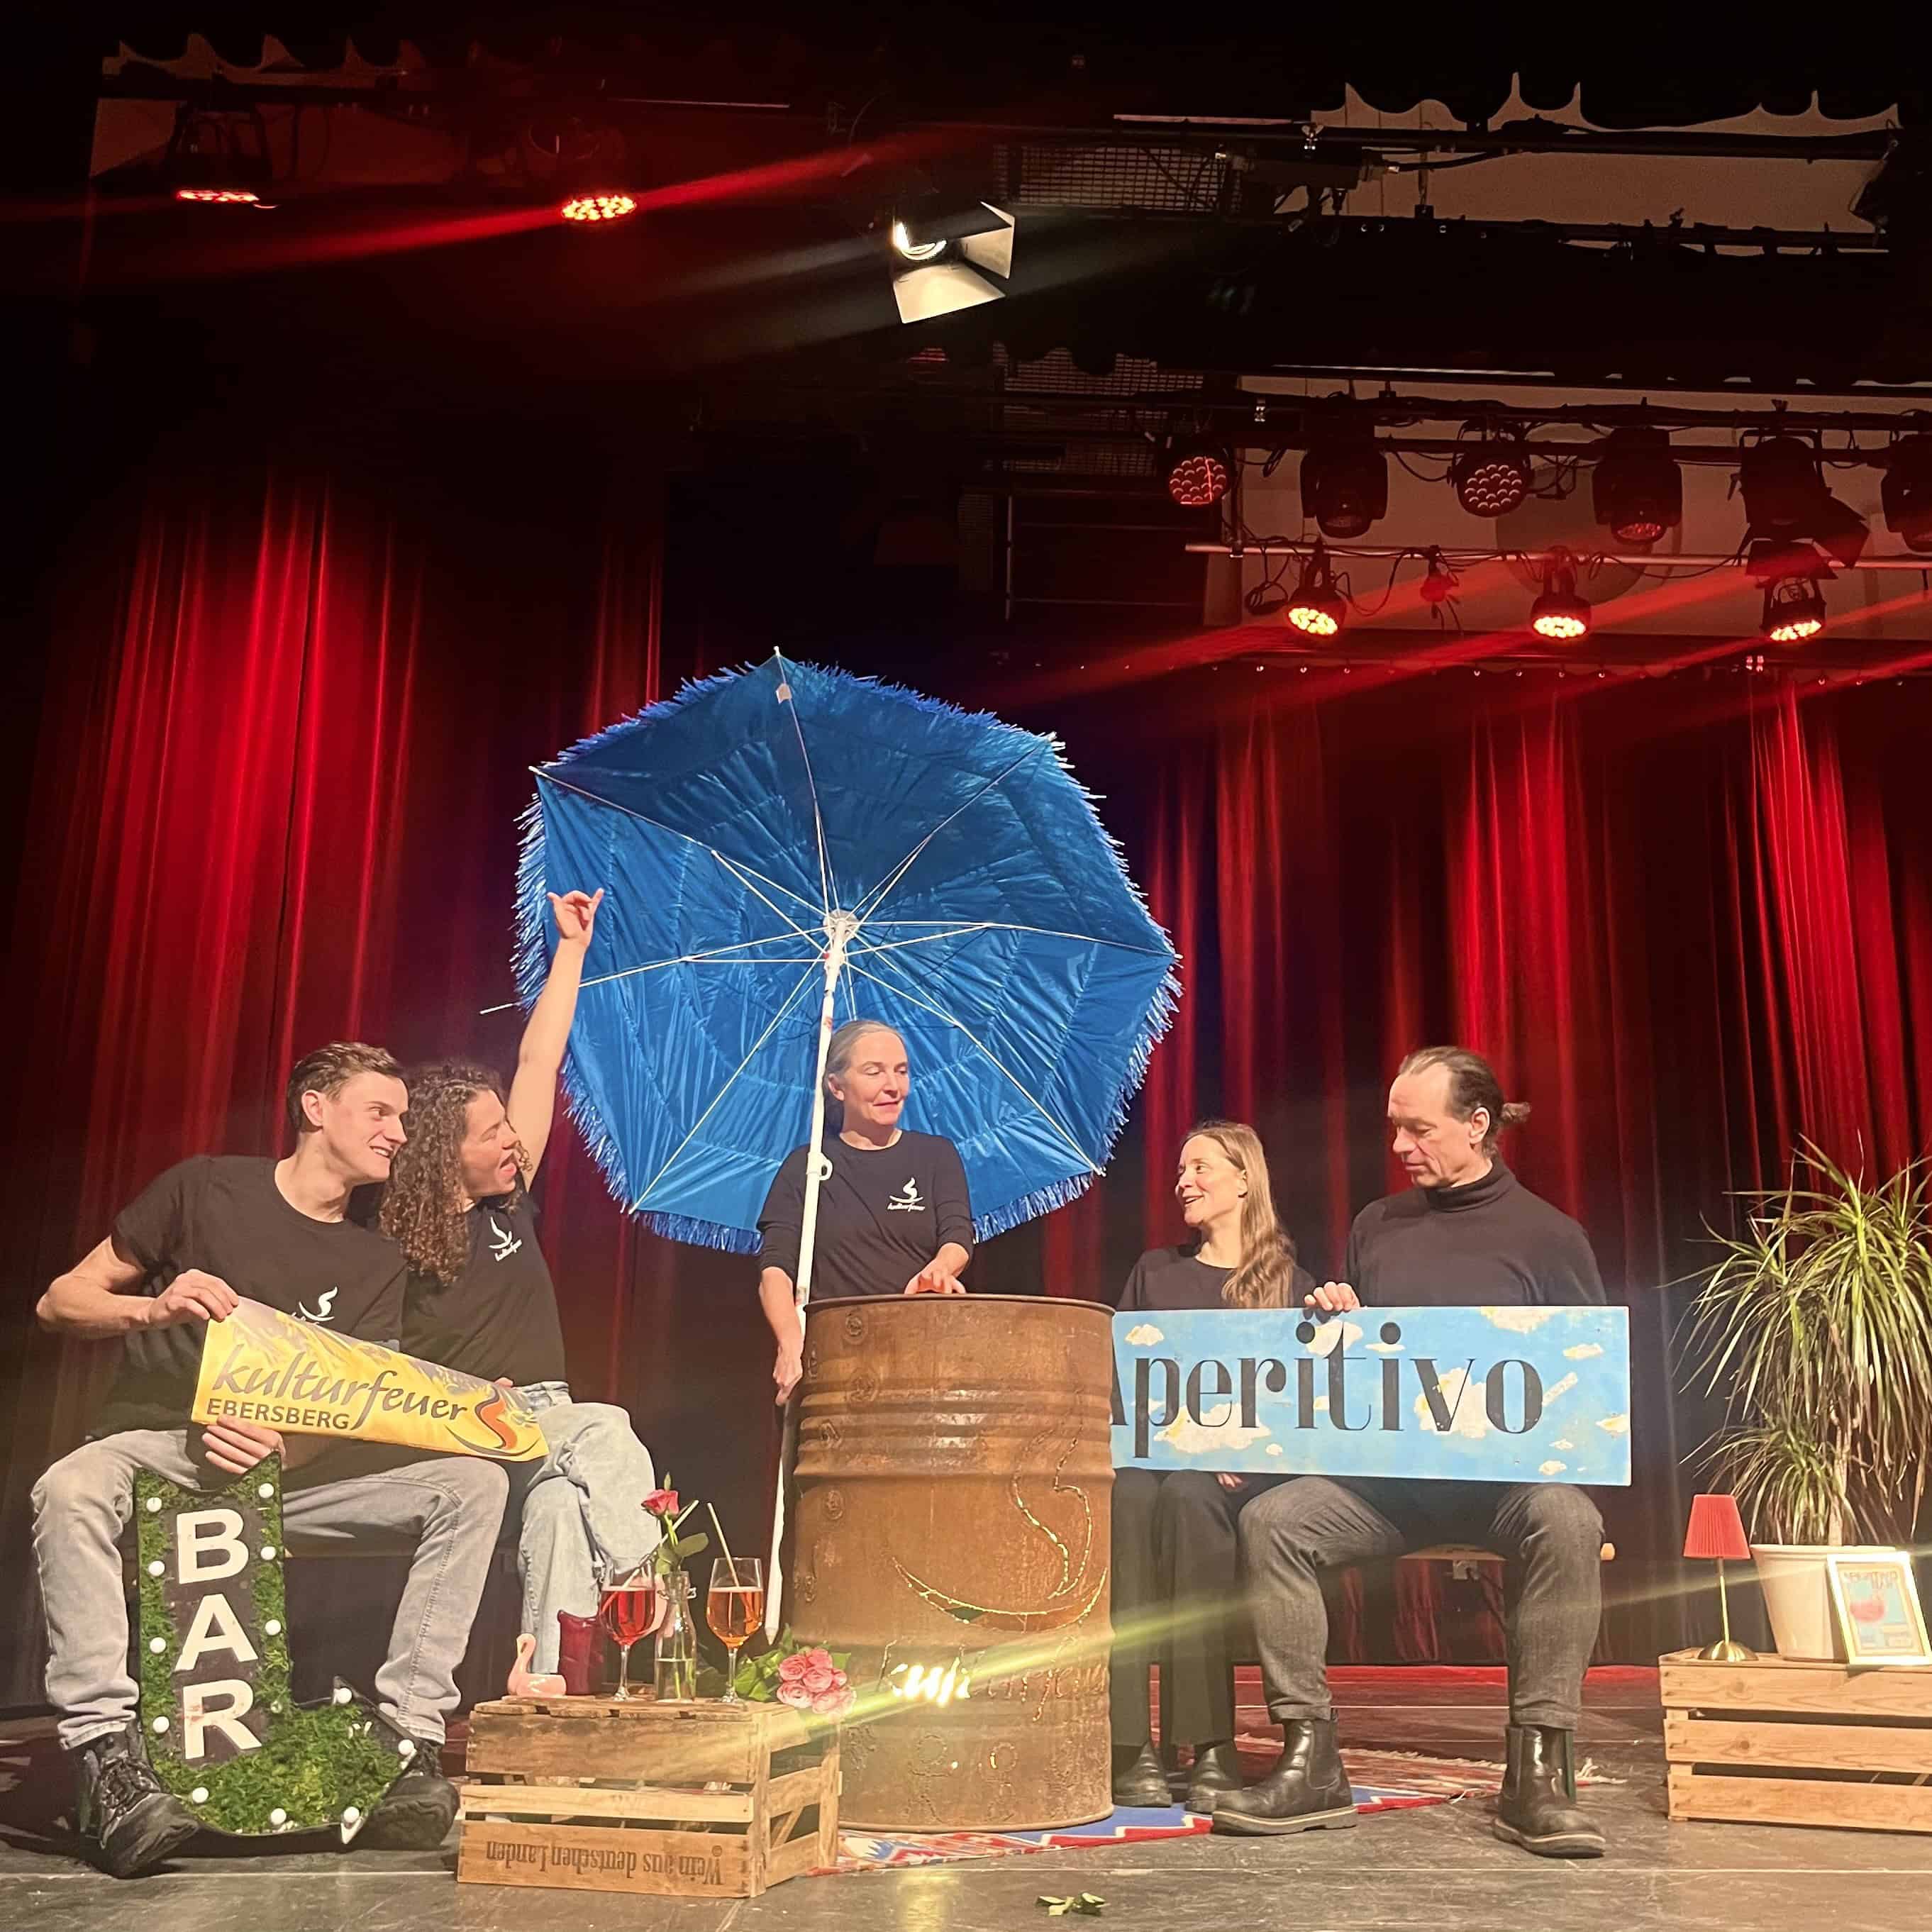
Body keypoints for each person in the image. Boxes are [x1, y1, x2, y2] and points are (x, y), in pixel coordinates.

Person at [31, 1043, 509, 1879]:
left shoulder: (375, 1260)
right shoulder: (205, 1188)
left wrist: (288, 1444)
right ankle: (107, 1757)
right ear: (315, 1108)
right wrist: (154, 1309)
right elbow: (59, 1301)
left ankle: (406, 1740)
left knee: (472, 1483)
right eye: (381, 1112)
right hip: (163, 1451)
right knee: (69, 1486)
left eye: (403, 1118)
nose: (399, 1133)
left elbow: (355, 1404)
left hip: (288, 1478)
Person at [1214, 1045, 1609, 1858]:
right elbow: (1353, 1371)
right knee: (1274, 1520)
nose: (1400, 1146)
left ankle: (1536, 1772)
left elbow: (1590, 1382)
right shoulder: (1378, 1225)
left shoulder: (1549, 1237)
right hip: (1390, 1488)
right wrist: (1337, 1318)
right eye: (1395, 1128)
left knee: (1569, 1519)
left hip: (1503, 1491)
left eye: (1419, 1129)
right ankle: (1311, 1758)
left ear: (1478, 1124)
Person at [382, 888, 662, 1679]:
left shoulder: (510, 1201)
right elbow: (376, 1364)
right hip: (468, 1425)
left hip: (546, 1421)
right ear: (445, 1153)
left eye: (510, 1122)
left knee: (561, 1512)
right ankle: (653, 1592)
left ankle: (550, 1690)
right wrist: (458, 1398)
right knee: (606, 1427)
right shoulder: (392, 1246)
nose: (513, 1139)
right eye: (493, 1132)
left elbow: (539, 1061)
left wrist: (571, 951)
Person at [1111, 1122, 1314, 1814]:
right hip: (1157, 1459)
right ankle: (1130, 1742)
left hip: (1235, 1478)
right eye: (1179, 1171)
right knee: (1131, 1496)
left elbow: (1301, 1404)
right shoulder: (1156, 1273)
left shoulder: (1288, 1285)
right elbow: (1125, 1383)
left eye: (1200, 1167)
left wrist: (1249, 1451)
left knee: (1191, 1500)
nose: (1184, 1182)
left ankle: (1208, 1743)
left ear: (1244, 1179)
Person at [758, 1018, 973, 1404]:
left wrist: (940, 1269)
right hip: (836, 1366)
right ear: (836, 1086)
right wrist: (790, 1343)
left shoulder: (935, 1155)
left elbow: (958, 1235)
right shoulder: (807, 1167)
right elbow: (775, 1271)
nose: (893, 1086)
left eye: (901, 1071)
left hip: (922, 1358)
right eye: (874, 1072)